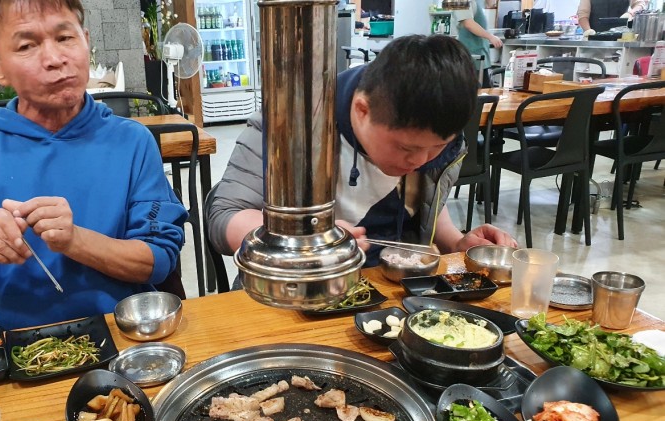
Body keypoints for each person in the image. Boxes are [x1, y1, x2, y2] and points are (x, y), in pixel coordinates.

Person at [0, 0, 187, 331]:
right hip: (8, 346)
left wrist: (74, 240)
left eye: (65, 38)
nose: (55, 59)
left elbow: (157, 261)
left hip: (121, 336)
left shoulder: (131, 142)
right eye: (27, 46)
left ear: (85, 40)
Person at [207, 35, 517, 269]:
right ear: (362, 110)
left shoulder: (439, 137)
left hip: (392, 290)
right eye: (406, 148)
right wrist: (304, 241)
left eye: (437, 147)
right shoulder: (289, 123)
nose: (421, 161)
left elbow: (423, 208)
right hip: (297, 291)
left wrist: (458, 243)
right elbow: (225, 217)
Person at [454, 0, 502, 88]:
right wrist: (490, 37)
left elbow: (491, 4)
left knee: (484, 91)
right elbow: (468, 24)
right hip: (470, 56)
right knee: (473, 91)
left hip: (480, 55)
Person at [577, 0, 646, 35]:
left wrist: (631, 13)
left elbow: (640, 3)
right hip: (594, 38)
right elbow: (583, 14)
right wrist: (588, 31)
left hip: (620, 38)